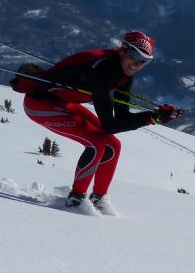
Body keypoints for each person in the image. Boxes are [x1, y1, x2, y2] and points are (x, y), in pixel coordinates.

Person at [14, 30, 182, 215]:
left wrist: (155, 116)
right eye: (135, 55)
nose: (137, 64)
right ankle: (76, 200)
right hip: (39, 104)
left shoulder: (124, 75)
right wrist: (152, 118)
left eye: (145, 60)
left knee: (113, 145)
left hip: (62, 103)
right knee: (97, 143)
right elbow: (110, 125)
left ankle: (99, 199)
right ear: (122, 50)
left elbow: (120, 118)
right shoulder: (104, 71)